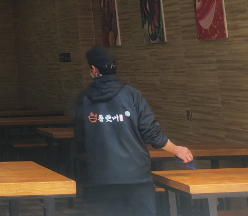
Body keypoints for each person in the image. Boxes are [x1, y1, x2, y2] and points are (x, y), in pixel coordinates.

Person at [75, 46, 193, 216]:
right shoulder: (132, 95)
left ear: (94, 69)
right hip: (136, 174)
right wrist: (176, 149)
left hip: (102, 176)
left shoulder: (83, 98)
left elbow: (80, 137)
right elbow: (151, 131)